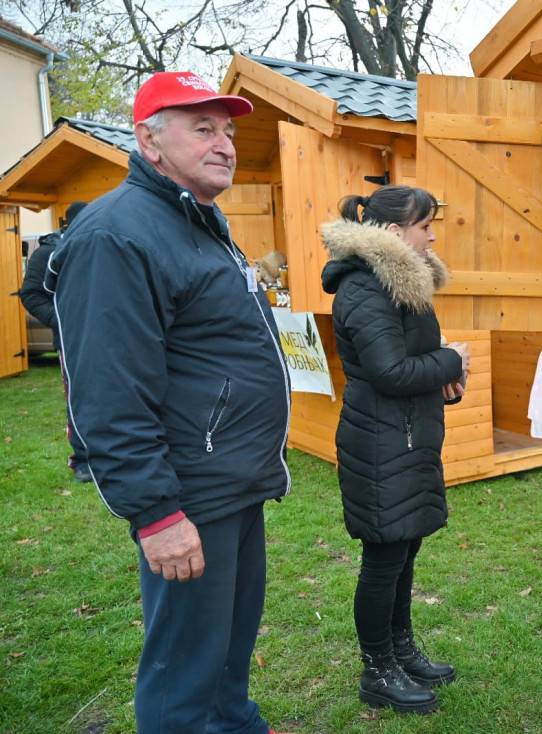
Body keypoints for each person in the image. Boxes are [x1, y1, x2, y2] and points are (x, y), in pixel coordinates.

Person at [46, 72, 293, 734]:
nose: (225, 145)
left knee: (226, 662)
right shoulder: (117, 234)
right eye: (203, 128)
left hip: (233, 484)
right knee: (183, 680)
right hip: (188, 496)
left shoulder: (199, 222)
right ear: (149, 142)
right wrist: (156, 514)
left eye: (229, 131)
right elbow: (107, 389)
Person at [320, 186, 470, 714]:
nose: (432, 235)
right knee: (383, 559)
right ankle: (377, 669)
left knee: (405, 549)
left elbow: (418, 356)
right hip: (381, 443)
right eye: (424, 225)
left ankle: (402, 651)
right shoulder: (365, 289)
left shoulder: (403, 284)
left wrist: (448, 376)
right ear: (391, 233)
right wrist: (451, 362)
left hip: (408, 435)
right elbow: (390, 371)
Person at [19, 200, 90, 481]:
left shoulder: (102, 248)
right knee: (79, 400)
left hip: (113, 338)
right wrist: (65, 321)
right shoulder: (49, 252)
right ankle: (82, 460)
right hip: (72, 340)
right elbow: (31, 295)